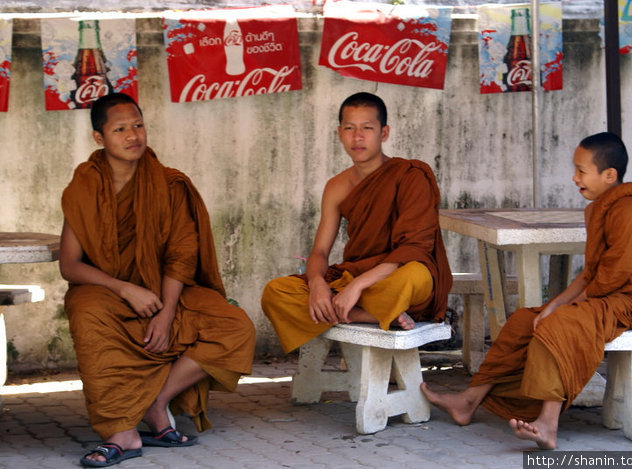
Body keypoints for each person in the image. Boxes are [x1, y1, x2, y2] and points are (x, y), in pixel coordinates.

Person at [421, 132, 632, 449]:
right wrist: (554, 304)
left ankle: (548, 424)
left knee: (557, 326)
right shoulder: (603, 208)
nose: (574, 178)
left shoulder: (630, 209)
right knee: (523, 321)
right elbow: (591, 274)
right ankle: (468, 401)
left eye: (581, 170)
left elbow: (617, 276)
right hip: (607, 298)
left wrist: (562, 312)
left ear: (609, 175)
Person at [59, 93, 255, 467]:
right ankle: (122, 433)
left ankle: (156, 401)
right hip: (110, 293)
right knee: (84, 308)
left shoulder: (168, 184)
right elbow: (70, 265)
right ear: (99, 138)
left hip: (166, 291)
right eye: (120, 129)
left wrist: (165, 314)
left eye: (138, 125)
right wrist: (125, 288)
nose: (133, 135)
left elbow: (180, 257)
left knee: (236, 327)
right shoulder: (84, 186)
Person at [261, 92, 452, 354]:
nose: (357, 137)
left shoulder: (411, 175)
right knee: (276, 292)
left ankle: (353, 310)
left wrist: (356, 287)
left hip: (395, 275)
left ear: (384, 133)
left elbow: (415, 249)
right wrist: (316, 283)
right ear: (340, 133)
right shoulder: (337, 187)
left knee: (415, 277)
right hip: (358, 275)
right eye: (350, 128)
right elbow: (319, 252)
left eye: (367, 128)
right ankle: (372, 313)